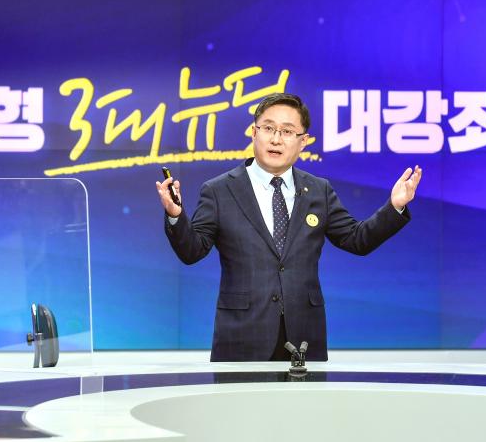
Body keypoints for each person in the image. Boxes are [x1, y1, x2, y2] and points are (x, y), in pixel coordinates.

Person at [155, 93, 422, 361]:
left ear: (302, 141)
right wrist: (176, 216)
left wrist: (394, 206)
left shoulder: (318, 190)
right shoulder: (219, 190)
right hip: (241, 335)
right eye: (268, 128)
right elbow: (192, 251)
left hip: (304, 336)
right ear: (254, 132)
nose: (276, 139)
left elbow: (357, 239)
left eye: (287, 131)